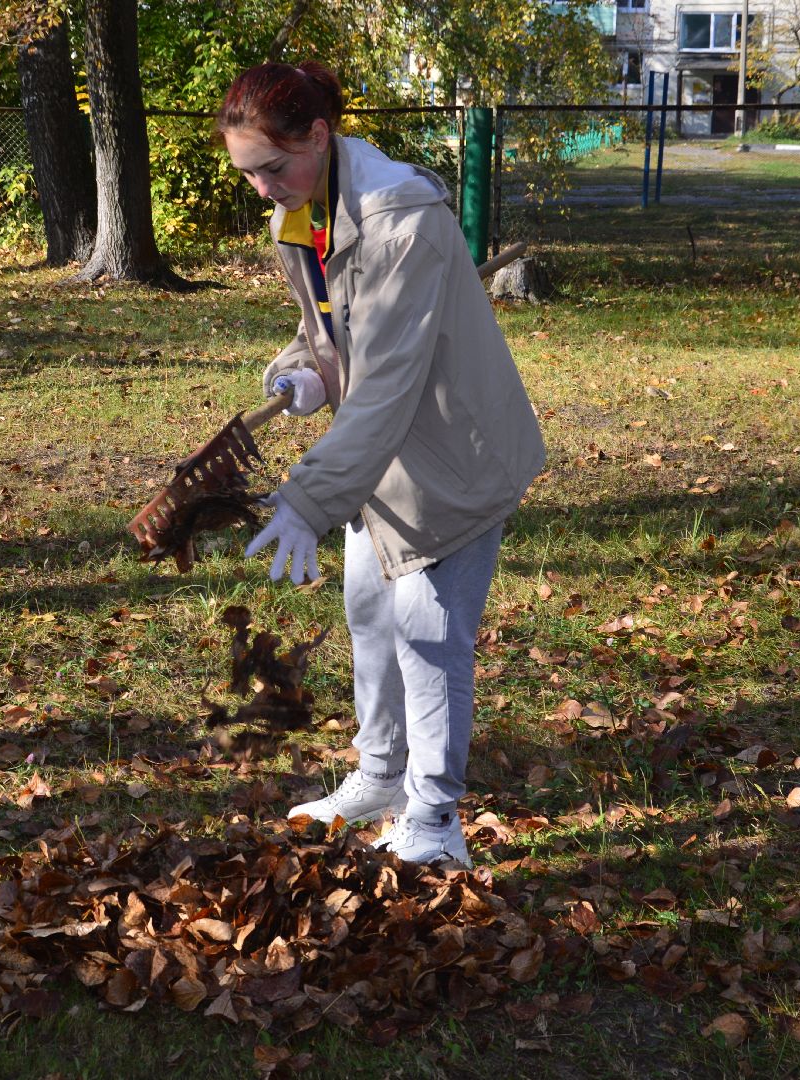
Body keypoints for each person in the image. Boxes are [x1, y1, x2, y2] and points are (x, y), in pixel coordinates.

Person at [218, 62, 546, 868]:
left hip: (453, 455)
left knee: (429, 635)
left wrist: (310, 494)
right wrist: (302, 373)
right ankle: (380, 774)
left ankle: (434, 821)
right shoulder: (301, 212)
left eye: (272, 167)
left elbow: (393, 381)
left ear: (319, 137)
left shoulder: (405, 222)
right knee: (371, 612)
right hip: (383, 463)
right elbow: (334, 335)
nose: (263, 189)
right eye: (249, 173)